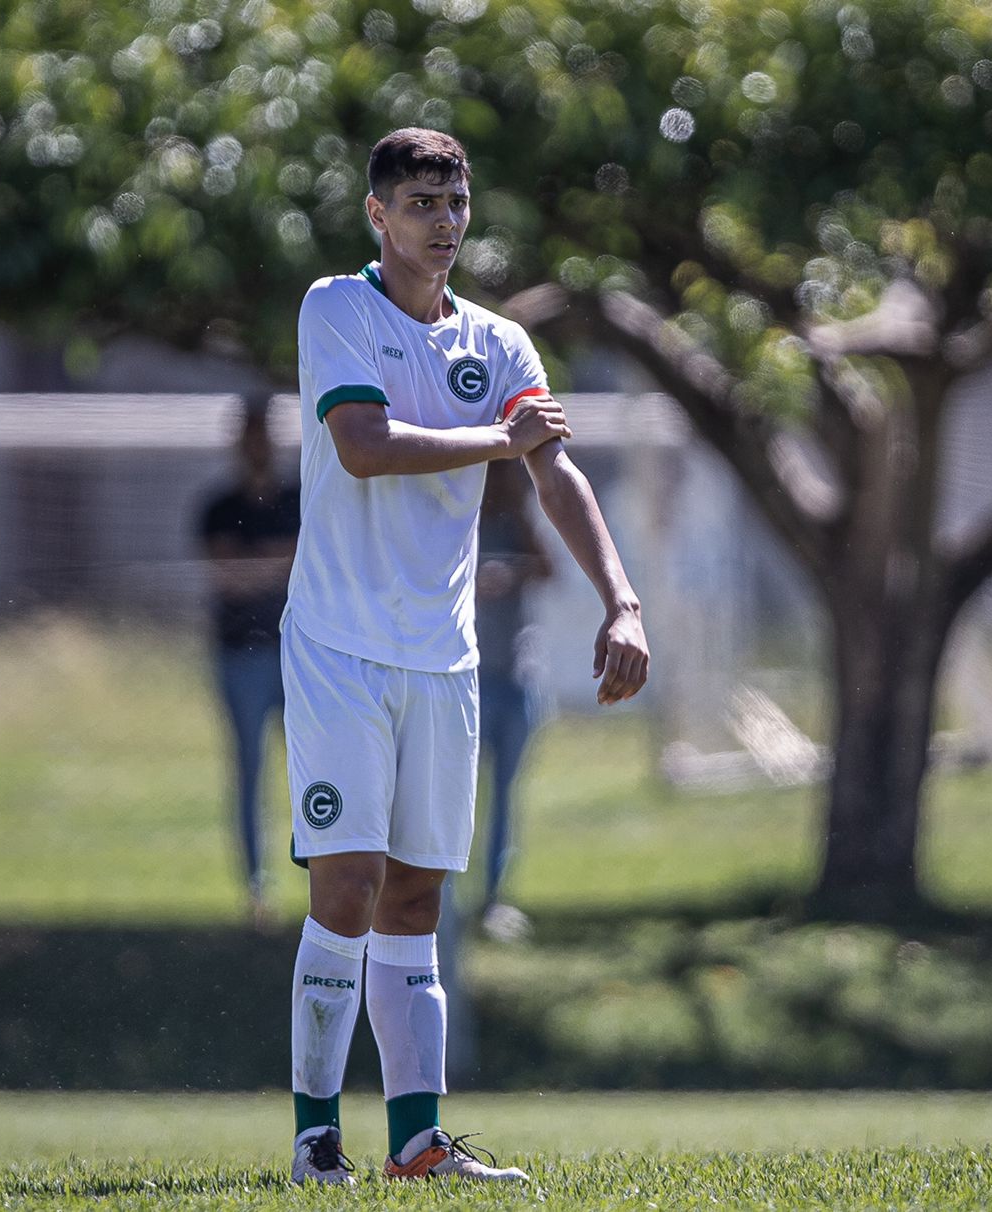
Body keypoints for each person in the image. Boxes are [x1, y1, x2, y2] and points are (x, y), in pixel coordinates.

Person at [281, 128, 649, 1187]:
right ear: (377, 215)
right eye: (420, 203)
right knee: (348, 886)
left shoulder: (499, 342)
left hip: (444, 658)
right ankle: (315, 1142)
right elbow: (365, 446)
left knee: (416, 900)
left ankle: (417, 1143)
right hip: (339, 648)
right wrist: (503, 440)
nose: (443, 221)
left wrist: (621, 602)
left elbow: (556, 474)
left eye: (455, 202)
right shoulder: (336, 309)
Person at [198, 403, 300, 928]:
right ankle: (257, 888)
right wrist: (275, 563)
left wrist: (257, 563)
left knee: (312, 766)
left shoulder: (298, 500)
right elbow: (227, 577)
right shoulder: (219, 506)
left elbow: (303, 563)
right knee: (248, 770)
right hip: (240, 654)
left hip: (296, 654)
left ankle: (321, 877)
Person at [475, 459, 553, 940]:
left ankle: (494, 896)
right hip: (471, 680)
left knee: (505, 795)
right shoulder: (461, 520)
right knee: (460, 796)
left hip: (517, 678)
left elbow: (548, 570)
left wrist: (522, 512)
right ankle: (447, 894)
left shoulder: (521, 523)